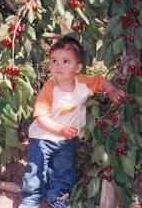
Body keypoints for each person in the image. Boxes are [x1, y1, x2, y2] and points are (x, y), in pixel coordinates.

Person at [19, 37, 125, 208]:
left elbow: (100, 81)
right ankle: (31, 198)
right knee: (36, 169)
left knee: (63, 170)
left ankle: (57, 197)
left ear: (78, 68)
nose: (58, 65)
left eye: (65, 61)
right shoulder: (49, 88)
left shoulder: (83, 83)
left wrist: (111, 90)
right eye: (54, 61)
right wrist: (60, 129)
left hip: (66, 140)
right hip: (43, 138)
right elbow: (41, 118)